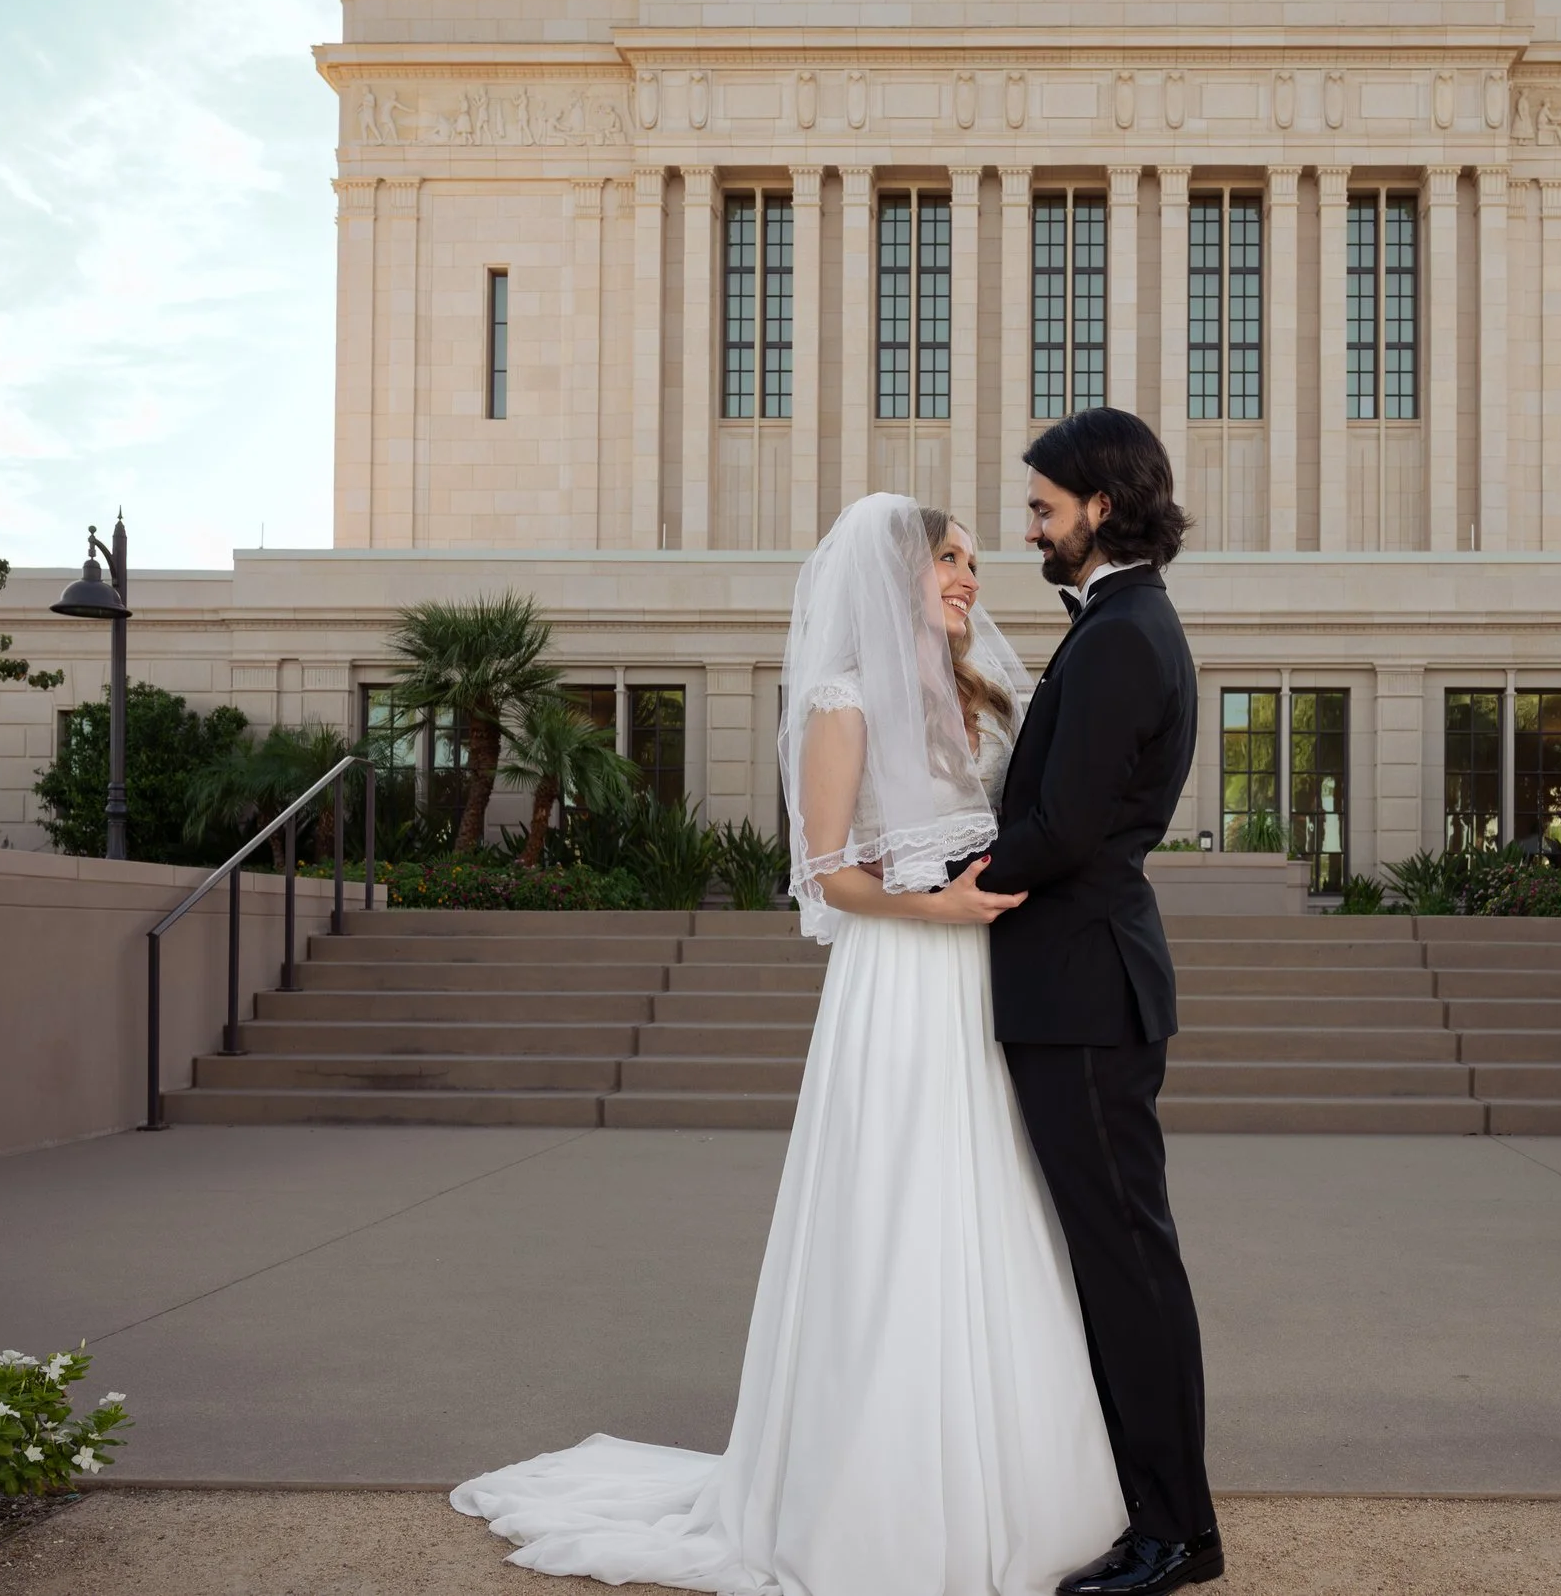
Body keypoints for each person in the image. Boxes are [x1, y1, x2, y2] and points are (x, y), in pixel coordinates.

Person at [452, 494, 1128, 1594]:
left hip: (987, 987)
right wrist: (938, 913)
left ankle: (1016, 1479)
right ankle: (876, 1490)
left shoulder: (984, 695)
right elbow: (826, 873)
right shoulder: (840, 699)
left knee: (991, 1202)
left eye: (970, 563)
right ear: (888, 576)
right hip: (902, 979)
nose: (968, 579)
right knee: (898, 1208)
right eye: (945, 562)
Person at [978, 407, 1219, 1596]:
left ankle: (1174, 1530)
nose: (1032, 527)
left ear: (1101, 508)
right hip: (1074, 982)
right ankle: (1153, 1511)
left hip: (1082, 991)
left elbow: (1067, 827)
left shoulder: (1125, 633)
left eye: (1041, 508)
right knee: (1117, 1257)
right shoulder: (1118, 624)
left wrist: (950, 881)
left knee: (1127, 1263)